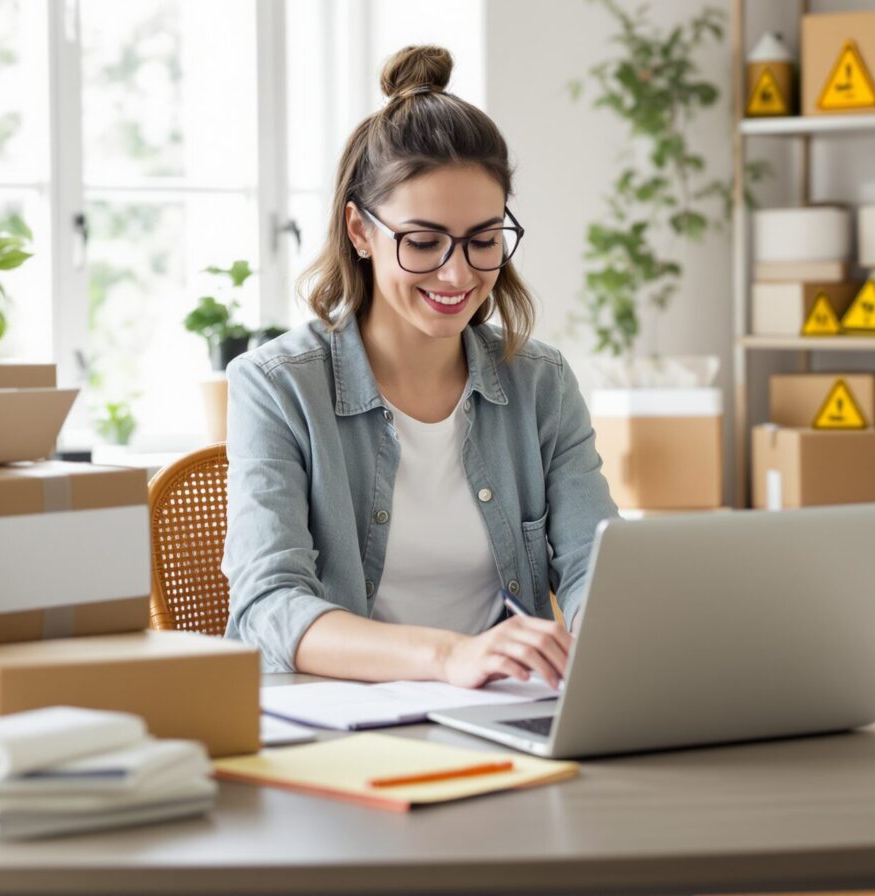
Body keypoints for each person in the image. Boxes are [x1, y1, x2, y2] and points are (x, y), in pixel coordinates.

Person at [222, 44, 618, 690]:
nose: (458, 274)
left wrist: (606, 633)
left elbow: (593, 569)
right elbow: (269, 607)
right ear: (360, 231)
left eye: (484, 240)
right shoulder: (277, 386)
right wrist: (449, 657)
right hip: (334, 730)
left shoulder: (541, 384)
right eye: (423, 242)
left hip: (500, 717)